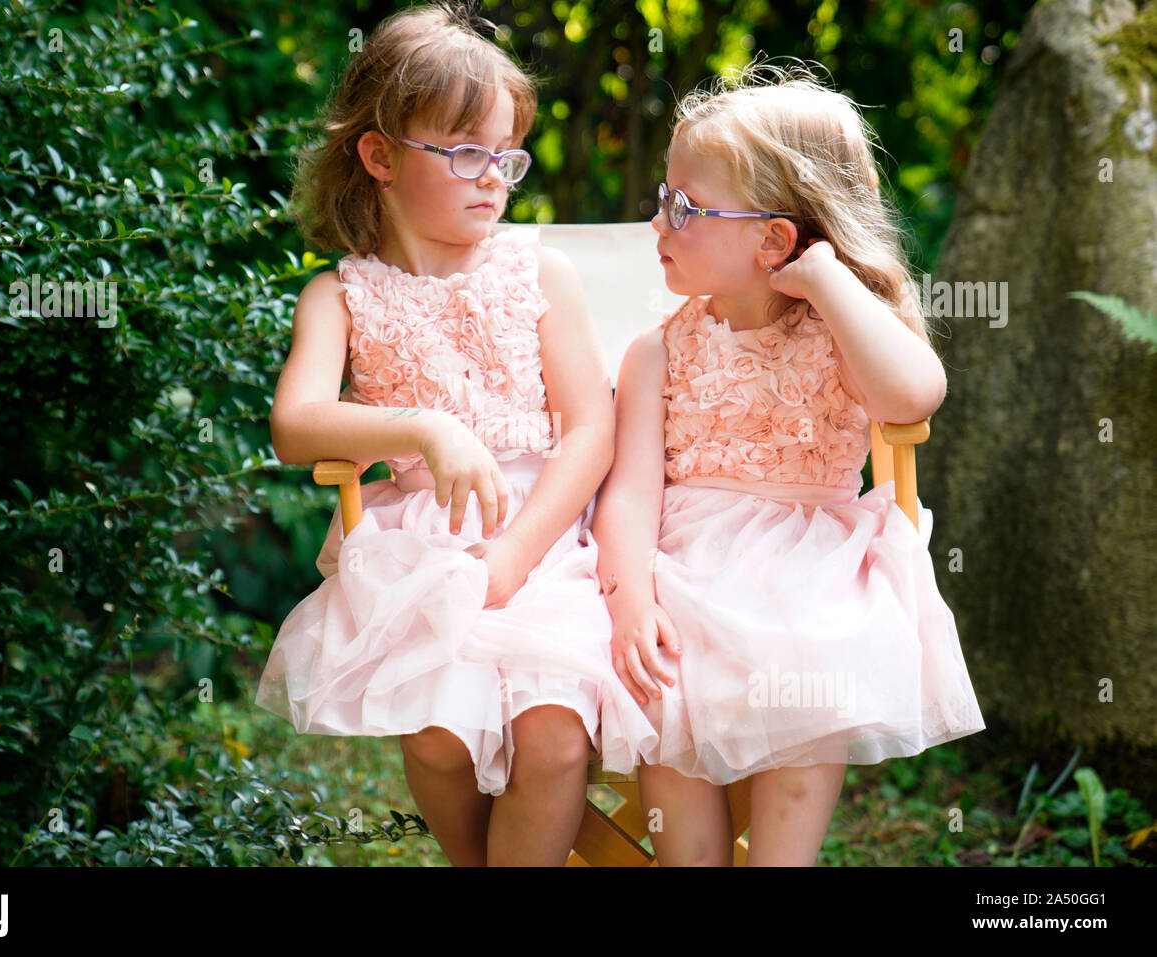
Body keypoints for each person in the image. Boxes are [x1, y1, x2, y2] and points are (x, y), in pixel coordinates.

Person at [254, 2, 651, 867]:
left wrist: (515, 554)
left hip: (544, 538)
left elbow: (592, 428)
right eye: (466, 152)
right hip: (418, 555)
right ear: (380, 155)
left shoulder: (537, 271)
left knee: (551, 737)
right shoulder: (341, 295)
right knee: (441, 736)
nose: (493, 179)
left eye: (505, 156)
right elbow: (295, 424)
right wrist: (426, 427)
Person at [592, 62, 985, 866]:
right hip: (683, 570)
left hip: (811, 573)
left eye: (682, 208)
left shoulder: (844, 333)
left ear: (774, 239)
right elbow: (629, 497)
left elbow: (914, 396)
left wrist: (834, 286)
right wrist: (630, 600)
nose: (657, 224)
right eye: (663, 201)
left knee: (814, 658)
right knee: (663, 687)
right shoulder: (656, 351)